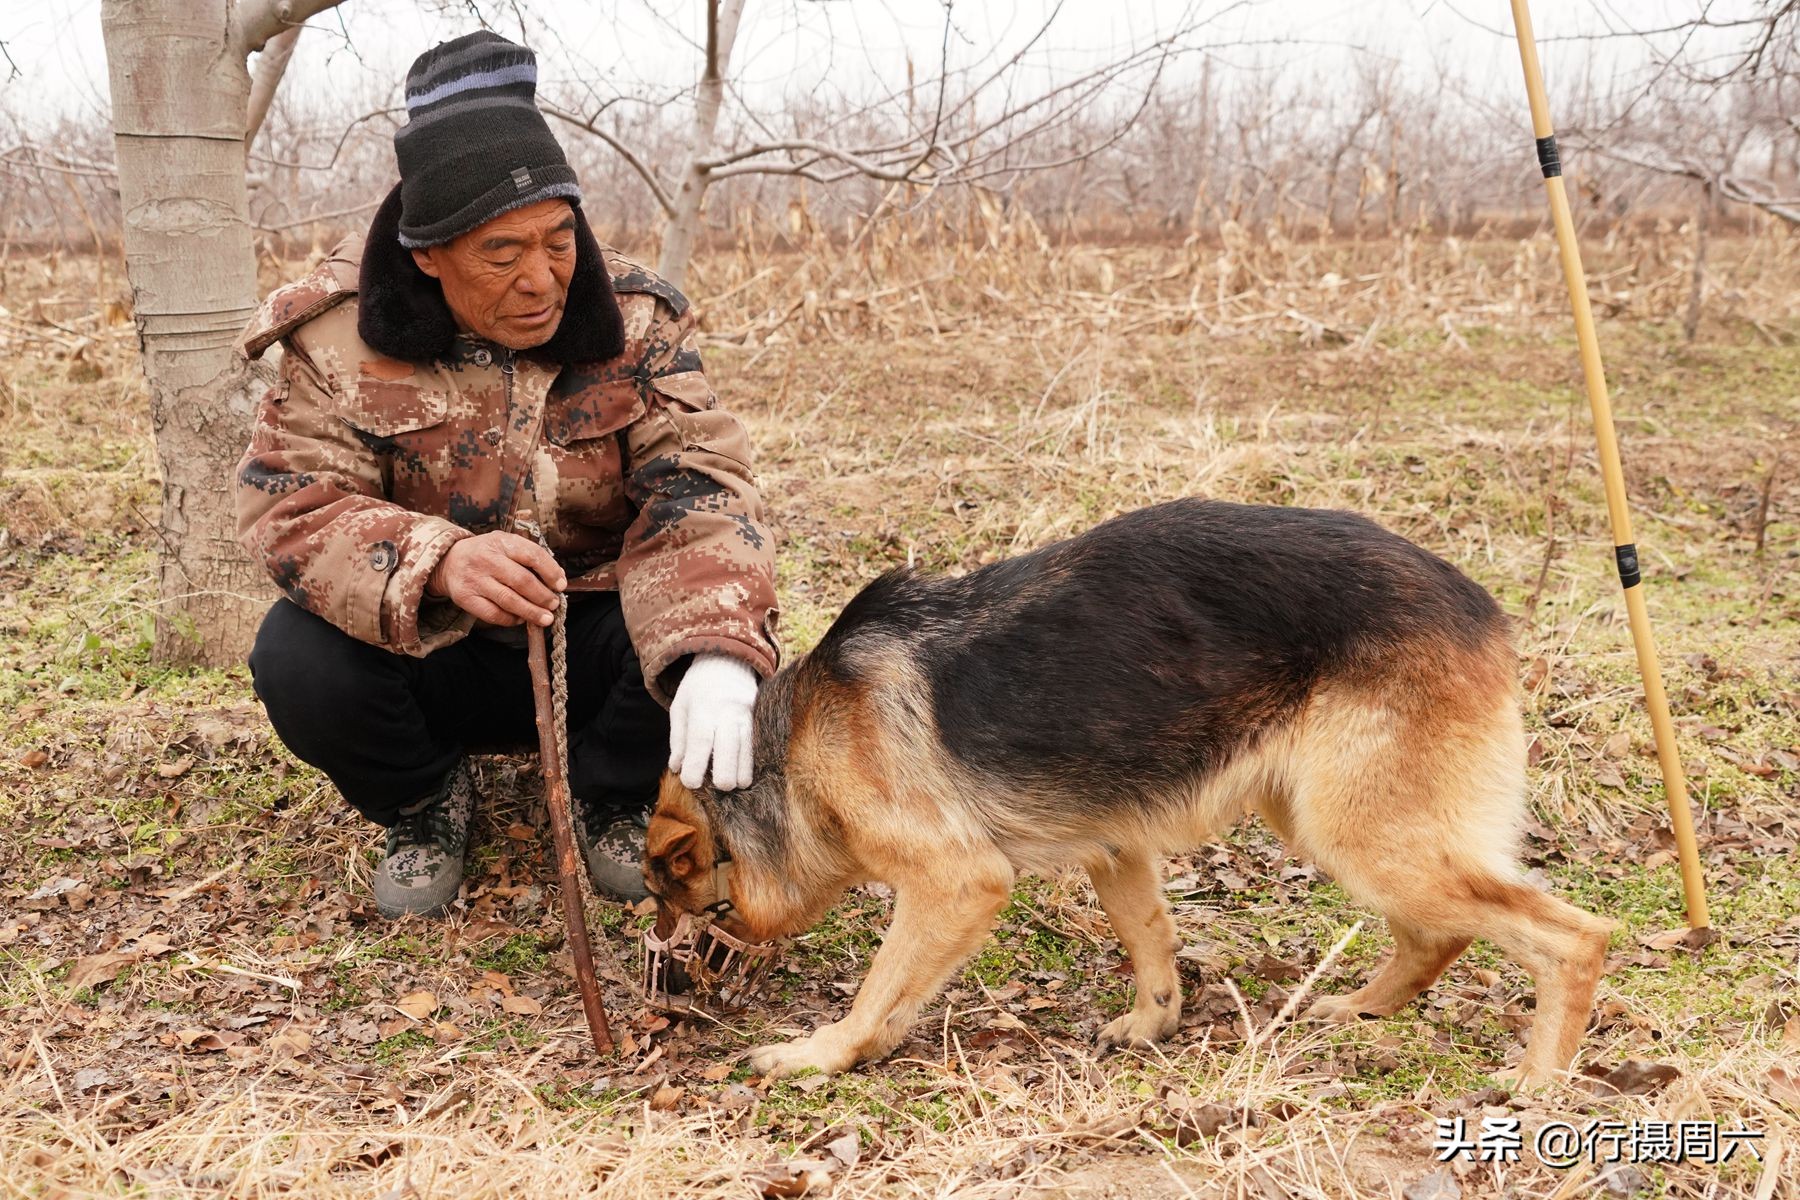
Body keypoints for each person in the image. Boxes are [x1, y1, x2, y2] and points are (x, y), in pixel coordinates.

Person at [233, 31, 779, 917]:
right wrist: (437, 562)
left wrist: (715, 646)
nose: (543, 282)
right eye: (501, 255)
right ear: (428, 255)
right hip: (425, 648)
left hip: (593, 640)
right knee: (296, 659)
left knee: (709, 645)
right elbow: (288, 508)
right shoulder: (335, 335)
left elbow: (702, 484)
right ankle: (422, 800)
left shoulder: (637, 319)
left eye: (558, 241)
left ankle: (614, 795)